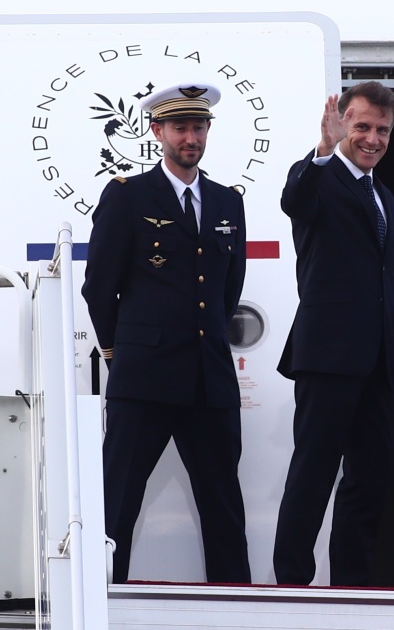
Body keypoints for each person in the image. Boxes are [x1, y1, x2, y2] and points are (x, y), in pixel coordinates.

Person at [81, 83, 250, 584]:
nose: (190, 138)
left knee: (224, 509)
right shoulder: (127, 196)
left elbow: (228, 290)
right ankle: (101, 600)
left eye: (199, 127)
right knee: (117, 504)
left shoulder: (227, 201)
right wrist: (122, 354)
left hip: (209, 381)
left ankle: (234, 608)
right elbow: (99, 288)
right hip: (144, 379)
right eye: (180, 128)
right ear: (157, 131)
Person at [273, 81, 394, 586]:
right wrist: (322, 151)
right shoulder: (319, 178)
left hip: (376, 365)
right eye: (362, 126)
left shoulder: (383, 196)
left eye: (382, 130)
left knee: (369, 481)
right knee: (313, 475)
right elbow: (293, 200)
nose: (372, 138)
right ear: (342, 122)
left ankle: (351, 589)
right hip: (326, 357)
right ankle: (292, 586)